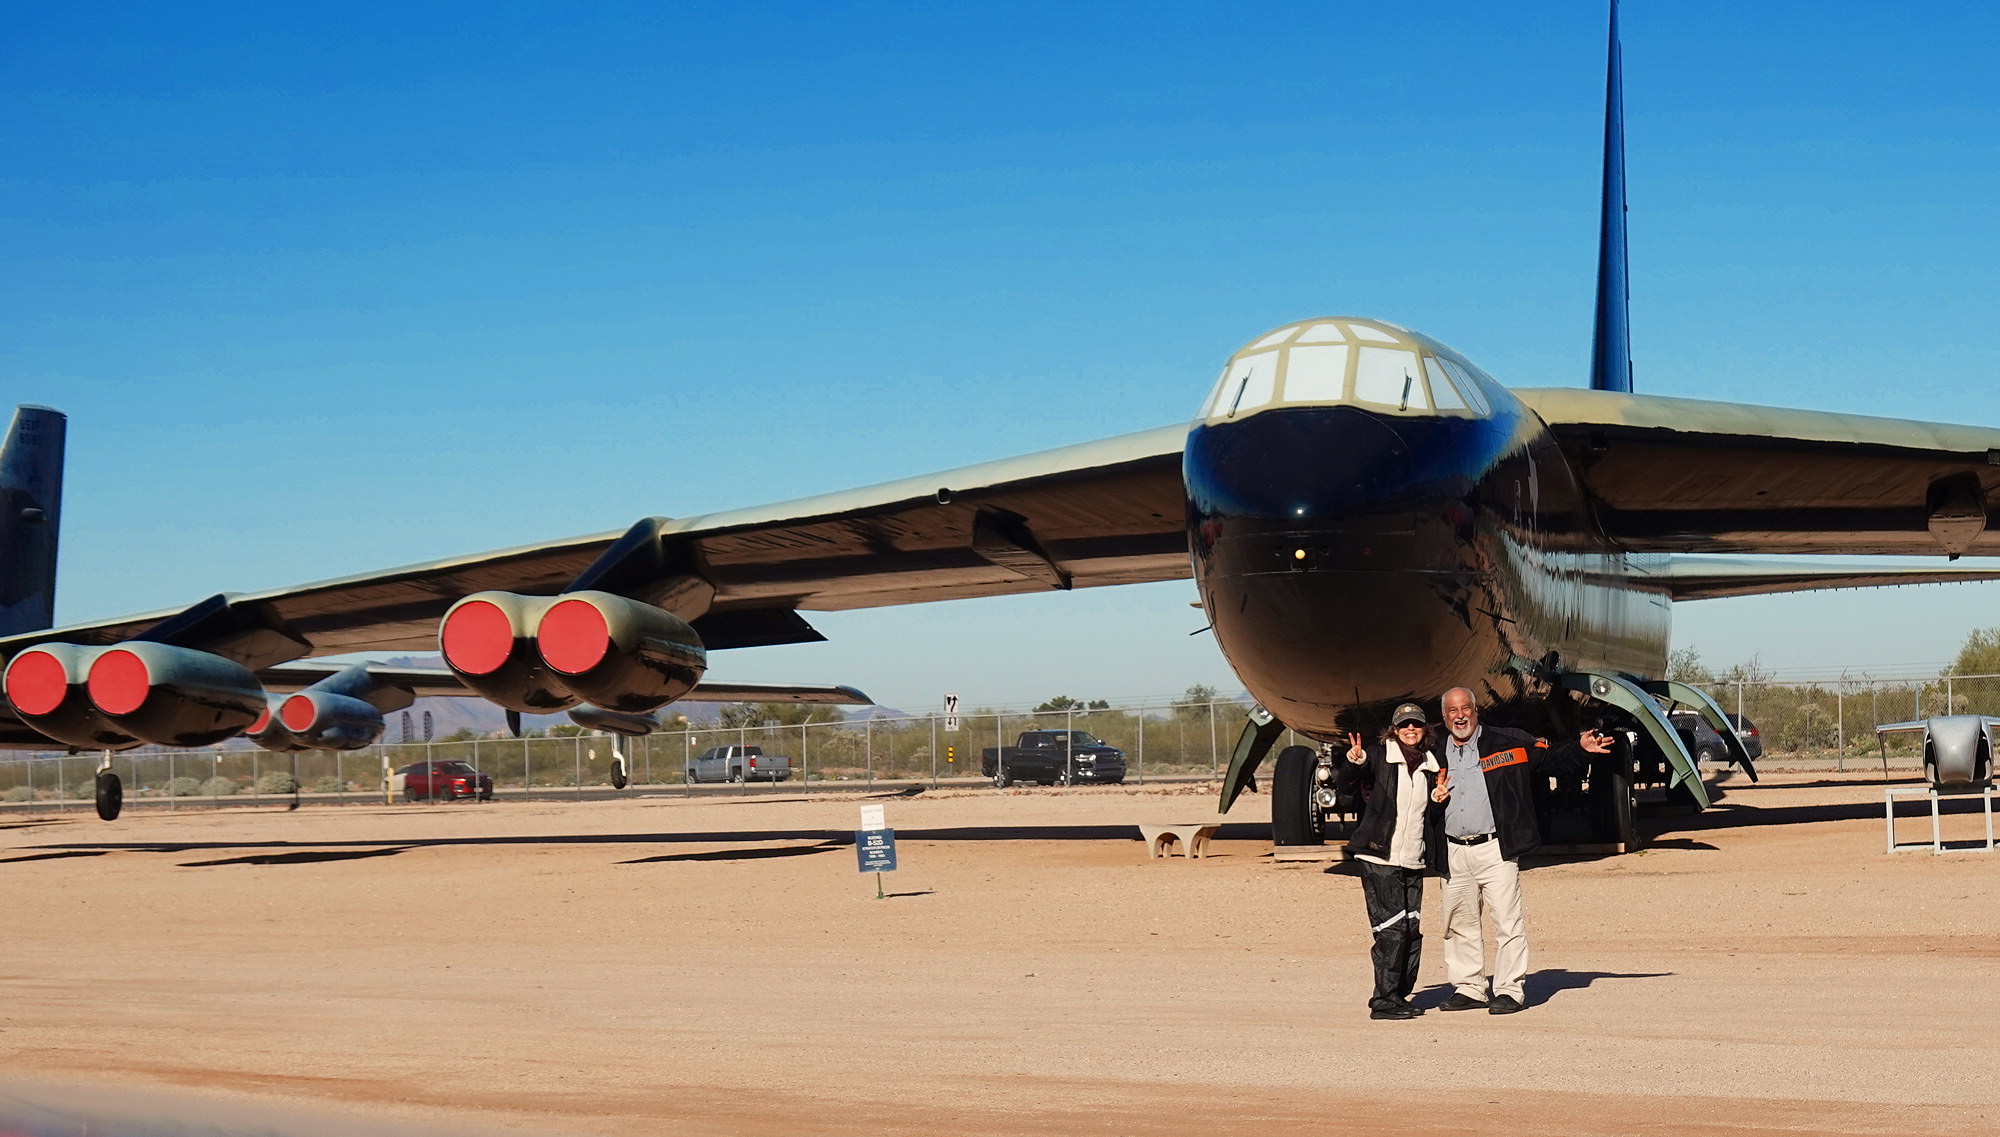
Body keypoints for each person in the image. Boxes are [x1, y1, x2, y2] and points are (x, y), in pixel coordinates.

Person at [1430, 686, 1611, 1015]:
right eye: (1453, 711)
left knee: (1507, 923)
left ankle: (1509, 990)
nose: (1460, 716)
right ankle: (1469, 988)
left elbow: (1549, 757)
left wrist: (1581, 751)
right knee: (1459, 923)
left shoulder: (1507, 741)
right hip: (1454, 851)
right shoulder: (1434, 754)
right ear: (1444, 718)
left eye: (1466, 708)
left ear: (1476, 711)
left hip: (1496, 849)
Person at [1343, 702, 1451, 1020]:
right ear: (1394, 729)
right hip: (1380, 856)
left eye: (1415, 725)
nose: (1410, 730)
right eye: (1404, 726)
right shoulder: (1379, 756)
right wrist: (1354, 761)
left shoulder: (1432, 764)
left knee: (1411, 929)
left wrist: (1437, 801)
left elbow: (1427, 816)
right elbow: (1348, 781)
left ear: (1424, 729)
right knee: (1391, 930)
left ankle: (1399, 994)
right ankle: (1383, 1000)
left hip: (1412, 860)